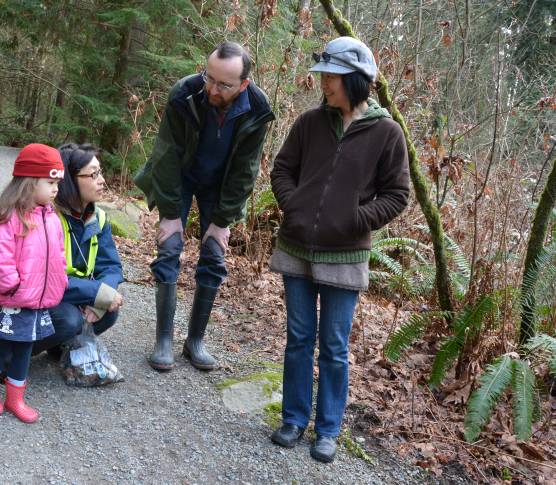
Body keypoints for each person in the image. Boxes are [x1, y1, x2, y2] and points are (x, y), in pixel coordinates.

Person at [269, 37, 410, 462]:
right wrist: (294, 206)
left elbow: (397, 194)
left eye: (330, 76)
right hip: (296, 247)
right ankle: (293, 419)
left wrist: (355, 219)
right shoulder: (310, 122)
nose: (324, 83)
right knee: (298, 339)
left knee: (332, 346)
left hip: (346, 257)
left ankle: (327, 429)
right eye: (324, 75)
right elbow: (282, 169)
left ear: (355, 80)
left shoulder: (387, 133)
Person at [134, 41, 274, 372]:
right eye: (209, 77)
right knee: (169, 247)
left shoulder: (257, 107)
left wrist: (222, 221)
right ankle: (164, 340)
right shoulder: (185, 92)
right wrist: (170, 215)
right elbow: (166, 155)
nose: (212, 88)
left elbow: (245, 170)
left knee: (213, 252)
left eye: (224, 84)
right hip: (180, 176)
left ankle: (195, 341)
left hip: (220, 184)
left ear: (243, 84)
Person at [0, 143, 68, 424]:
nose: (55, 189)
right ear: (29, 183)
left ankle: (15, 398)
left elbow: (59, 254)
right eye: (50, 182)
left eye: (57, 183)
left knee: (25, 350)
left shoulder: (52, 218)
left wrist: (61, 278)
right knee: (3, 346)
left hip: (38, 301)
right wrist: (11, 285)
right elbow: (0, 255)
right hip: (14, 299)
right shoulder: (11, 217)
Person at [31, 143, 124, 359]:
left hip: (73, 293)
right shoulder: (47, 218)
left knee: (108, 312)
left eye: (100, 173)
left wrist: (104, 296)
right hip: (41, 296)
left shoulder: (97, 218)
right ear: (71, 180)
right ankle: (10, 356)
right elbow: (46, 279)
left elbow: (110, 266)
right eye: (93, 175)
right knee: (69, 319)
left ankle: (59, 347)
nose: (102, 180)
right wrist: (96, 293)